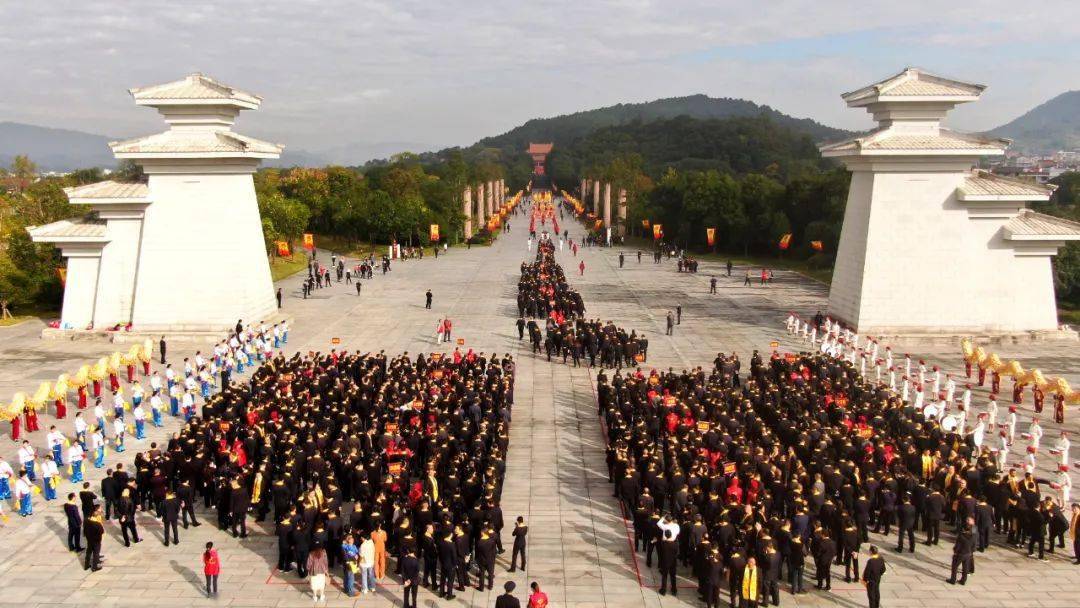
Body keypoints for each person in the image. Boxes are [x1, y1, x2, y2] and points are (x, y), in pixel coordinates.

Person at [83, 504, 104, 571]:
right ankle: (95, 567)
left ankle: (86, 565)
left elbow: (84, 530)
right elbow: (102, 531)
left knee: (89, 551)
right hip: (96, 540)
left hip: (89, 539)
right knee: (96, 552)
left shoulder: (86, 520)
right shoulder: (97, 524)